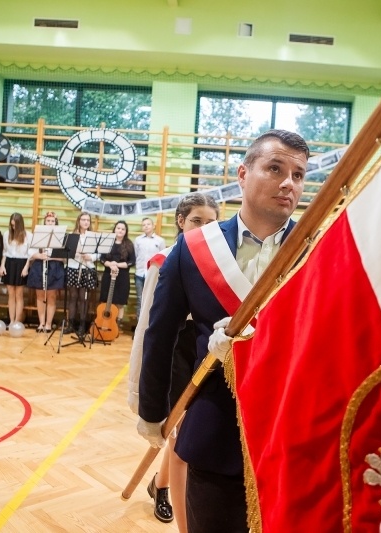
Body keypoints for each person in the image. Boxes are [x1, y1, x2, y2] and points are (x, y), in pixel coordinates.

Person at [137, 130, 309, 533]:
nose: (289, 183)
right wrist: (151, 411)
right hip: (216, 431)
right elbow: (159, 336)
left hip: (290, 432)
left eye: (299, 175)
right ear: (243, 174)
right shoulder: (193, 248)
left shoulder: (316, 246)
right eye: (275, 168)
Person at [129, 193, 219, 531]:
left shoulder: (222, 260)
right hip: (176, 358)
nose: (204, 229)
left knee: (186, 439)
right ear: (181, 221)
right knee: (181, 442)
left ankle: (159, 485)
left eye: (211, 223)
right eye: (197, 221)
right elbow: (150, 328)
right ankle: (176, 511)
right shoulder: (164, 259)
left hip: (210, 355)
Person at [23, 212, 65, 333]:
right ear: (45, 222)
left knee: (51, 296)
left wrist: (51, 257)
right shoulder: (38, 234)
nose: (50, 223)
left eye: (52, 221)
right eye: (48, 221)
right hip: (39, 266)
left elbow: (64, 257)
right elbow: (31, 253)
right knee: (40, 295)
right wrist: (40, 255)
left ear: (55, 222)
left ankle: (48, 323)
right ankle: (41, 322)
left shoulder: (61, 236)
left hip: (55, 267)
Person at [63, 211, 98, 336]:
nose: (86, 222)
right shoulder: (72, 236)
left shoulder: (93, 236)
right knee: (73, 297)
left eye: (88, 220)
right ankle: (70, 324)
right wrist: (74, 253)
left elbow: (99, 253)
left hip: (86, 268)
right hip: (73, 267)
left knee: (84, 298)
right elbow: (66, 253)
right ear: (79, 221)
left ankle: (83, 325)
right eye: (83, 219)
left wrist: (91, 257)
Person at [98, 220, 135, 331]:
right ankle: (104, 323)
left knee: (120, 302)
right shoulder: (107, 241)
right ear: (114, 229)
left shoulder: (129, 244)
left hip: (122, 276)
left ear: (126, 231)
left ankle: (117, 326)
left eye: (123, 229)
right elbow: (102, 259)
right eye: (118, 228)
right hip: (108, 274)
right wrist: (110, 264)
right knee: (105, 300)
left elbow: (132, 261)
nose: (120, 230)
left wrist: (117, 265)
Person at [0, 212, 31, 325]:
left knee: (19, 294)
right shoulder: (7, 234)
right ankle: (11, 320)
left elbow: (30, 254)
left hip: (21, 263)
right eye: (12, 225)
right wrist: (2, 265)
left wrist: (26, 267)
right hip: (9, 263)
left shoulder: (28, 235)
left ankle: (17, 321)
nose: (14, 227)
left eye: (16, 225)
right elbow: (4, 252)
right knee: (11, 294)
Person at [133, 217, 165, 321]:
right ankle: (139, 328)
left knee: (152, 300)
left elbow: (162, 258)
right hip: (139, 274)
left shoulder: (160, 241)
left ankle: (149, 327)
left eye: (148, 224)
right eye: (144, 225)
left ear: (153, 226)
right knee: (139, 300)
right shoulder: (138, 240)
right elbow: (136, 255)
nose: (146, 226)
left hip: (153, 275)